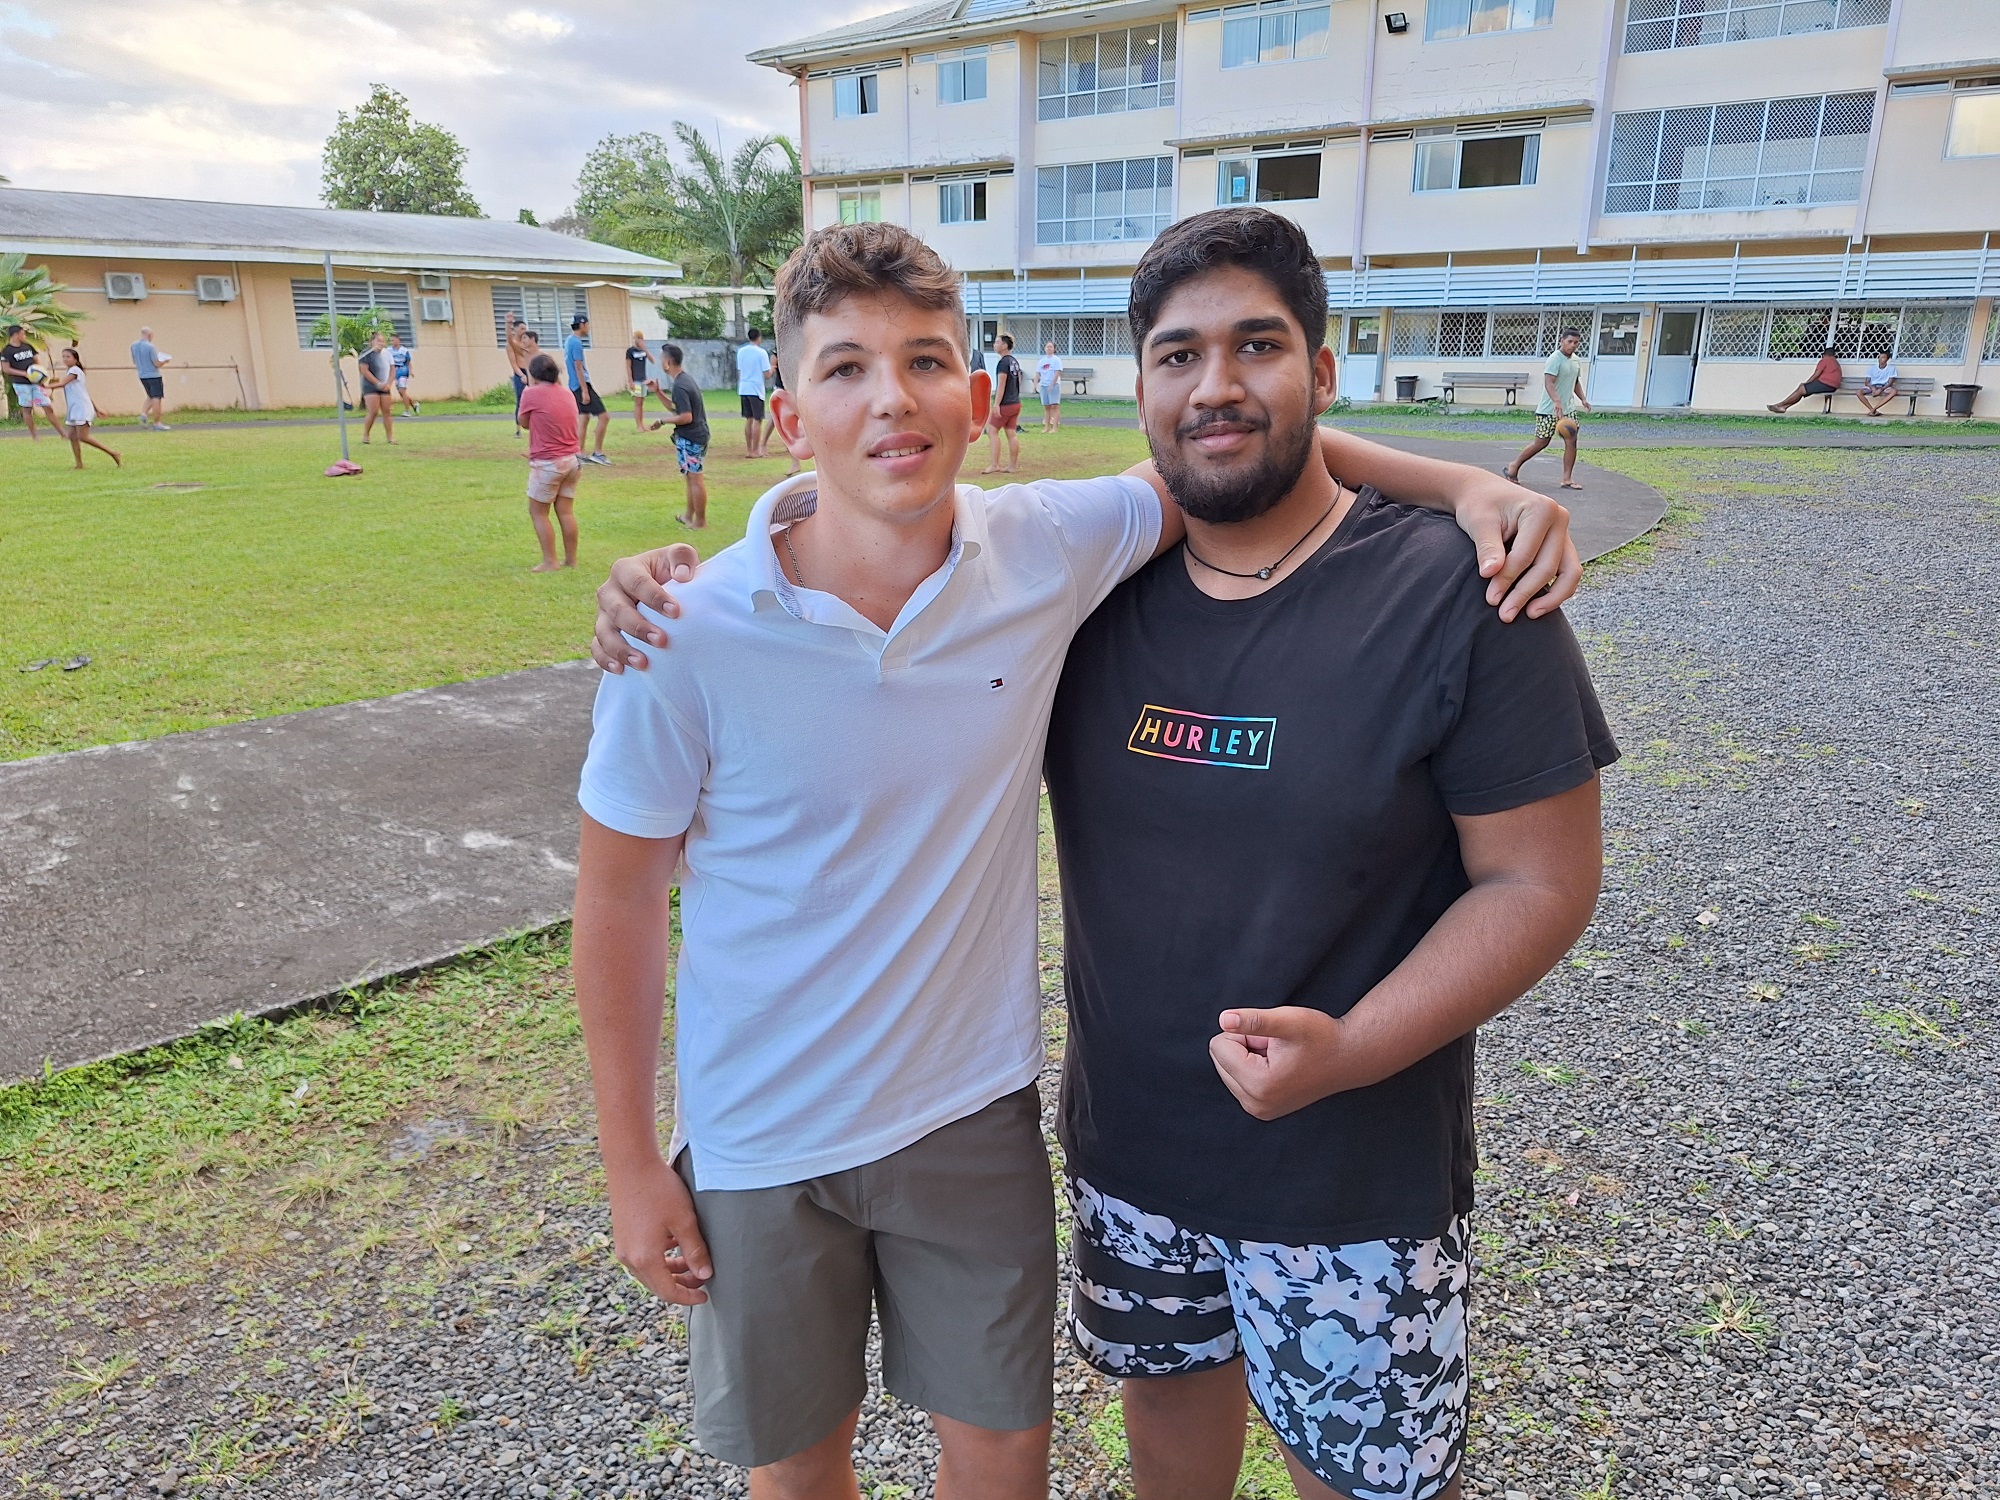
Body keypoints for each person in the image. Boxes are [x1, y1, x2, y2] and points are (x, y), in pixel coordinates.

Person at [573, 220, 1581, 1499]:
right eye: (844, 370)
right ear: (786, 413)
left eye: (924, 361)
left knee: (1018, 1456)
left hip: (1012, 1121)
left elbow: (1234, 447)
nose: (891, 400)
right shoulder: (693, 628)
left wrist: (1462, 488)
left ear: (971, 390)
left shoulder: (1051, 551)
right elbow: (617, 898)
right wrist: (629, 1164)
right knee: (814, 1463)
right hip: (825, 1140)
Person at [1043, 207, 1614, 1500]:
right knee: (1165, 1444)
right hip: (1133, 1155)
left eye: (1257, 346)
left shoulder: (1464, 592)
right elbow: (887, 548)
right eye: (1178, 355)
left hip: (1356, 1179)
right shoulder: (1084, 588)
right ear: (1140, 387)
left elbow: (1539, 881)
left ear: (1323, 368)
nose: (1216, 385)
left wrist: (1351, 1048)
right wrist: (678, 597)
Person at [517, 351, 582, 572]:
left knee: (538, 512)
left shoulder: (531, 393)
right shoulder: (567, 393)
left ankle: (550, 561)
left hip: (548, 463)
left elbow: (524, 422)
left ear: (533, 374)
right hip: (572, 461)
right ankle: (571, 560)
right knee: (565, 511)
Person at [1504, 328, 1591, 491]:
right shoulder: (1554, 359)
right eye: (1569, 342)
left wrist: (1583, 399)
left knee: (1571, 441)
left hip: (1568, 410)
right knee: (1541, 443)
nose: (1573, 345)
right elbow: (1549, 382)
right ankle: (1514, 466)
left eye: (1576, 343)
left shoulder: (1576, 360)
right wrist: (1556, 401)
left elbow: (1575, 382)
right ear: (1561, 341)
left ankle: (1567, 479)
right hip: (1548, 411)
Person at [657, 341, 710, 529]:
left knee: (695, 479)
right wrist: (657, 392)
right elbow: (677, 408)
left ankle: (700, 521)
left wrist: (663, 422)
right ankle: (689, 516)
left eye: (662, 359)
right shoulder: (684, 380)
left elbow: (686, 417)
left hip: (691, 437)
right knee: (690, 476)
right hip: (695, 435)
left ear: (668, 362)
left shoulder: (680, 385)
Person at [45, 347, 121, 469]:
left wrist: (45, 386)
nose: (65, 359)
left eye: (68, 357)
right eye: (63, 356)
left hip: (81, 408)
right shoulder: (70, 371)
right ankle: (79, 464)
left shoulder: (75, 371)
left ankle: (113, 453)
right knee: (72, 436)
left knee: (83, 437)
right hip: (74, 408)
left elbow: (62, 383)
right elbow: (84, 392)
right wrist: (96, 409)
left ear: (75, 359)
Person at [567, 315, 610, 465]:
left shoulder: (569, 340)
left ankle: (579, 453)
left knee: (584, 417)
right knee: (604, 417)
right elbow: (578, 367)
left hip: (574, 385)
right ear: (582, 325)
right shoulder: (576, 343)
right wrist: (585, 390)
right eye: (587, 324)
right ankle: (598, 453)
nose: (589, 327)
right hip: (581, 384)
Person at [982, 332, 1024, 474]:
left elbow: (1001, 385)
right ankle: (1012, 466)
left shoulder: (1003, 363)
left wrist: (996, 404)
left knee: (992, 431)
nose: (995, 345)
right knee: (1011, 433)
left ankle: (995, 464)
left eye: (997, 342)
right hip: (1015, 402)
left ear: (1005, 345)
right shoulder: (1014, 362)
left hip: (1006, 404)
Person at [3, 324, 52, 440]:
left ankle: (62, 432)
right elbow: (6, 369)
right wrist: (25, 374)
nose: (24, 336)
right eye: (22, 334)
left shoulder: (28, 347)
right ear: (16, 335)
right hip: (21, 384)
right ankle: (35, 435)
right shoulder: (7, 351)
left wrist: (40, 375)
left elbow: (36, 361)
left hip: (36, 383)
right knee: (27, 409)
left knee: (47, 406)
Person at [1768, 346, 1843, 414]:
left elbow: (1816, 375)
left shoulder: (1825, 360)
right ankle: (1783, 407)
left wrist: (1806, 383)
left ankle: (1780, 405)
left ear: (1824, 354)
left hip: (1826, 384)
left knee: (1801, 388)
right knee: (1801, 391)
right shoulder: (1835, 362)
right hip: (1832, 386)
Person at [759, 356, 802, 477]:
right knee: (783, 421)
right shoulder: (777, 353)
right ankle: (763, 444)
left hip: (795, 387)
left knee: (787, 422)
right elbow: (772, 368)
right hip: (784, 388)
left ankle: (795, 462)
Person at [735, 326, 771, 457]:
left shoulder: (741, 351)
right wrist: (773, 368)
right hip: (756, 389)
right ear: (759, 337)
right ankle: (756, 450)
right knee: (757, 419)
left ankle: (749, 449)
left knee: (748, 419)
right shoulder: (761, 353)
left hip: (744, 387)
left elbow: (740, 370)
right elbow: (766, 374)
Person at [130, 327, 171, 430]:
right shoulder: (150, 347)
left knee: (150, 396)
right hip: (153, 375)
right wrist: (164, 361)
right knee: (157, 398)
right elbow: (156, 363)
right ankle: (157, 423)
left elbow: (134, 361)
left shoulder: (134, 346)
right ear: (149, 335)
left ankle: (143, 414)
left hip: (142, 375)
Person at [358, 332, 395, 445]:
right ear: (372, 342)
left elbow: (392, 370)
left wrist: (388, 384)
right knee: (373, 411)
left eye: (383, 341)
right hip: (370, 386)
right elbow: (364, 371)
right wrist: (377, 383)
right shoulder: (366, 354)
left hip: (385, 386)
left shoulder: (387, 354)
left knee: (387, 411)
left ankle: (390, 437)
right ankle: (366, 435)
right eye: (378, 341)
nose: (381, 343)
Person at [506, 312, 536, 435]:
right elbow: (514, 364)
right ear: (515, 329)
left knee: (534, 399)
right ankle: (518, 428)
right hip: (520, 373)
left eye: (525, 329)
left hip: (530, 372)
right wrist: (522, 375)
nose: (524, 331)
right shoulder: (512, 345)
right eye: (522, 329)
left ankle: (534, 425)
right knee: (521, 400)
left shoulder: (527, 343)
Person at [627, 331, 661, 431]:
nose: (639, 341)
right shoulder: (630, 351)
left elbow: (652, 360)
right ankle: (638, 426)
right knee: (637, 402)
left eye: (641, 338)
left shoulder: (643, 351)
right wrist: (630, 381)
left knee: (642, 403)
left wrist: (644, 349)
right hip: (636, 380)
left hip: (644, 380)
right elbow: (628, 367)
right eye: (637, 338)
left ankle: (642, 424)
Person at [1856, 350, 1899, 417]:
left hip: (1884, 387)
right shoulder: (1872, 368)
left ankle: (1874, 409)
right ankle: (1872, 410)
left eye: (1883, 357)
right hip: (1872, 386)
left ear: (1887, 359)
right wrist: (1873, 388)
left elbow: (1890, 383)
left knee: (1894, 391)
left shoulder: (1891, 368)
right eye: (1879, 357)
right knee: (1858, 392)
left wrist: (1881, 389)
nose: (1880, 359)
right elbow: (1867, 382)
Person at [1036, 340, 1063, 433]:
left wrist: (1052, 384)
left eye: (1051, 347)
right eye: (1047, 347)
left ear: (1054, 349)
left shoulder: (1056, 360)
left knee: (1054, 406)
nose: (1049, 348)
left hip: (1054, 385)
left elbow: (1057, 372)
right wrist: (1035, 384)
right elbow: (1038, 373)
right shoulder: (1041, 361)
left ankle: (1055, 428)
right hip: (1044, 385)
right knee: (1046, 407)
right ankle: (1047, 427)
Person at [389, 333, 419, 416]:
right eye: (391, 340)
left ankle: (407, 411)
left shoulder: (404, 350)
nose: (392, 342)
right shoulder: (389, 350)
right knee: (401, 392)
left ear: (398, 340)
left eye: (393, 340)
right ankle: (414, 404)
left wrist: (411, 371)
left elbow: (408, 362)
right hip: (394, 372)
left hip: (403, 372)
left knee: (402, 390)